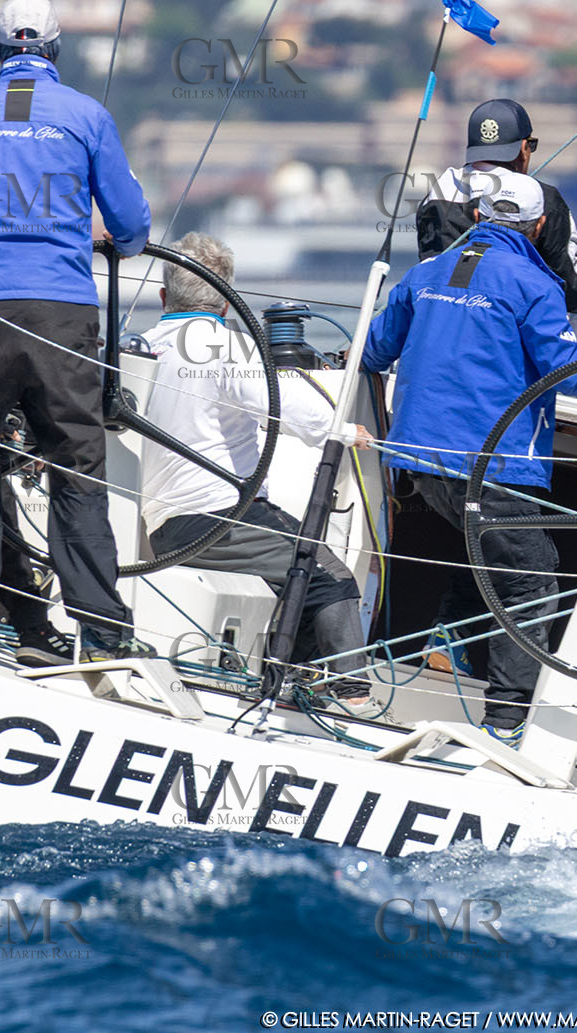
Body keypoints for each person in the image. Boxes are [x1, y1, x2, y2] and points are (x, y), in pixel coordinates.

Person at [364, 171, 577, 746]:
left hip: (420, 465)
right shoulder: (534, 284)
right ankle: (506, 719)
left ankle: (449, 649)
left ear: (478, 216)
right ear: (540, 225)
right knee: (533, 575)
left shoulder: (426, 273)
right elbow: (562, 369)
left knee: (486, 556)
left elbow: (375, 350)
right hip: (492, 467)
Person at [0, 0, 152, 661]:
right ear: (56, 51)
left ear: (1, 52)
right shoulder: (87, 116)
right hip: (61, 313)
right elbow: (130, 227)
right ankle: (104, 636)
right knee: (77, 471)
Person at [138, 232, 380, 708]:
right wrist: (347, 430)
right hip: (219, 519)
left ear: (164, 297)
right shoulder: (224, 345)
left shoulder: (146, 344)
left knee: (297, 570)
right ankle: (350, 695)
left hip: (163, 526)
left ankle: (286, 683)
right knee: (329, 577)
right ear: (227, 303)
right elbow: (283, 403)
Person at [416, 99, 577, 314]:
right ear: (524, 148)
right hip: (509, 331)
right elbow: (573, 292)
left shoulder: (436, 192)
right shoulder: (543, 198)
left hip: (436, 321)